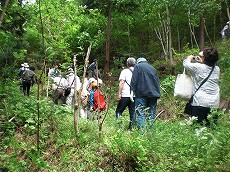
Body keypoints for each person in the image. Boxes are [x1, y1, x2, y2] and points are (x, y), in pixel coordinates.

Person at [183, 48, 220, 126]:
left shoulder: (198, 67)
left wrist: (189, 58)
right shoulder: (217, 69)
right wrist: (203, 62)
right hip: (214, 103)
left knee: (197, 128)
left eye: (202, 56)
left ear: (204, 58)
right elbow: (208, 67)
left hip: (199, 102)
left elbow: (186, 65)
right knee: (211, 129)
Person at [130, 57, 160, 134]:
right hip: (154, 95)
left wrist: (131, 92)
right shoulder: (153, 68)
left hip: (141, 94)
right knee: (151, 115)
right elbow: (157, 82)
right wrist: (158, 95)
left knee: (140, 113)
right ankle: (151, 134)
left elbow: (134, 80)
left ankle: (142, 134)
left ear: (138, 62)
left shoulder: (137, 66)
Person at [115, 57, 136, 130]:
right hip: (134, 96)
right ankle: (131, 129)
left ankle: (119, 127)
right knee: (132, 113)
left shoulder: (124, 71)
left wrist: (119, 94)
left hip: (125, 95)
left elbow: (122, 82)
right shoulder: (137, 71)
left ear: (127, 64)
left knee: (119, 111)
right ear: (135, 63)